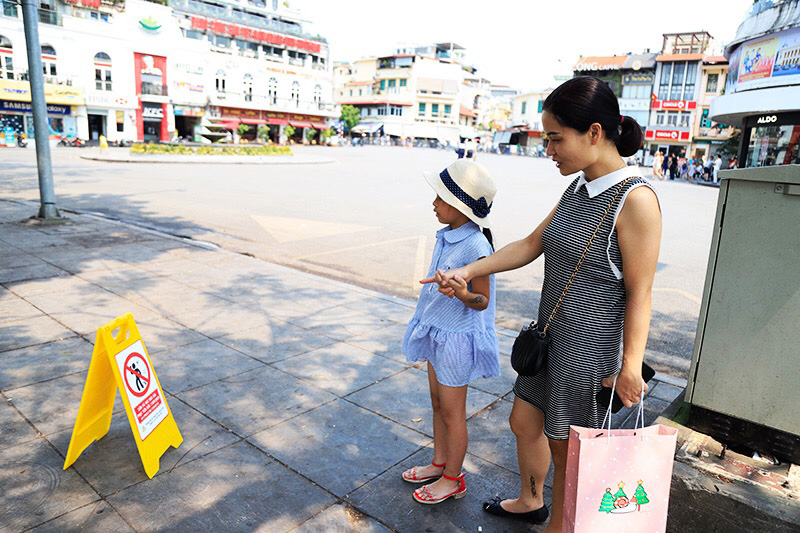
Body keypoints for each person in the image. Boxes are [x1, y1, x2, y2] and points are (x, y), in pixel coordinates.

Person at [427, 76, 661, 532]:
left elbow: (641, 293)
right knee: (522, 421)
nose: (549, 150)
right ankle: (531, 500)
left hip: (588, 354)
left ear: (594, 133)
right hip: (549, 339)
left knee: (567, 449)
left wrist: (630, 364)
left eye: (556, 139)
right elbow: (533, 243)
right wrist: (470, 270)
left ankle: (563, 526)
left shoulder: (635, 200)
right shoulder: (578, 187)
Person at [402, 158, 500, 505]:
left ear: (460, 205)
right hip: (437, 332)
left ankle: (453, 478)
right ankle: (440, 463)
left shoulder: (477, 246)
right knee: (437, 403)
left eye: (440, 197)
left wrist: (461, 292)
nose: (434, 203)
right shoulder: (446, 235)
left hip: (457, 339)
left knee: (453, 411)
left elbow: (482, 301)